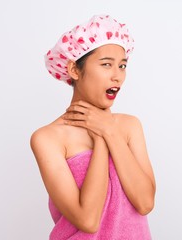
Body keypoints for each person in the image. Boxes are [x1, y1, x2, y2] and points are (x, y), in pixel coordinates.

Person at [30, 14, 156, 239]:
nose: (117, 76)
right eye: (106, 64)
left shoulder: (129, 127)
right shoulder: (48, 139)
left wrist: (109, 130)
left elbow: (145, 203)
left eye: (122, 65)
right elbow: (88, 220)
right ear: (74, 70)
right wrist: (100, 137)